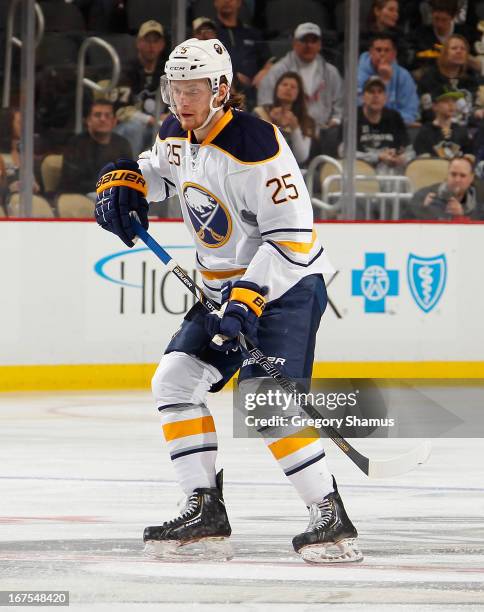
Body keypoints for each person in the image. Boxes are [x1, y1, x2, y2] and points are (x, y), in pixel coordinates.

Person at [94, 37, 362, 564]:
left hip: (286, 286)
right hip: (222, 290)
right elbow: (160, 172)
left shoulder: (256, 146)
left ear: (220, 89)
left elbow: (289, 236)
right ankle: (205, 510)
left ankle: (329, 514)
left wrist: (247, 298)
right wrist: (125, 180)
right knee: (174, 381)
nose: (181, 100)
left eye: (192, 89)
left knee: (264, 403)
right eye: (174, 89)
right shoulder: (177, 130)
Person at [258, 23, 343, 156]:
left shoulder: (331, 72)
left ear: (320, 44)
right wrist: (276, 117)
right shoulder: (278, 70)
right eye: (304, 40)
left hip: (322, 131)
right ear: (294, 43)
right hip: (285, 128)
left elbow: (341, 105)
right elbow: (265, 100)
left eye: (313, 41)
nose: (309, 45)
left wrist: (335, 121)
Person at [112, 20, 168, 156]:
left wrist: (169, 116)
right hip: (128, 128)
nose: (151, 46)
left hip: (156, 127)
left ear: (162, 45)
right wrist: (149, 120)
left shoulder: (166, 71)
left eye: (155, 41)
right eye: (147, 41)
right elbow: (119, 109)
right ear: (138, 43)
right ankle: (130, 173)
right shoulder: (125, 70)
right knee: (135, 128)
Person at [60, 99, 132, 199]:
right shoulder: (75, 144)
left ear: (114, 121)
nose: (102, 119)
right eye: (97, 115)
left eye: (107, 116)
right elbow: (72, 183)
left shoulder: (123, 144)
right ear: (88, 120)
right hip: (81, 198)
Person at [349, 76, 413, 174]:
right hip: (360, 172)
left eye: (380, 92)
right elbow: (344, 153)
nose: (376, 95)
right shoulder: (353, 117)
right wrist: (378, 157)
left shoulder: (394, 117)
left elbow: (410, 151)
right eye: (371, 91)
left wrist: (400, 158)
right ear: (363, 97)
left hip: (390, 172)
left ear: (385, 98)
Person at [213, 0, 273, 103]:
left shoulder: (252, 33)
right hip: (219, 94)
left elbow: (270, 61)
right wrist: (233, 78)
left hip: (252, 96)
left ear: (239, 3)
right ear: (215, 2)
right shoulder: (209, 33)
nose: (227, 1)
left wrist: (265, 71)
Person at [253, 71, 316, 165]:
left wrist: (295, 128)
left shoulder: (306, 121)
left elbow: (301, 157)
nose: (288, 88)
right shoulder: (260, 113)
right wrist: (272, 124)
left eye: (293, 87)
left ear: (298, 94)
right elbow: (254, 147)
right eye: (284, 84)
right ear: (276, 88)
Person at [418, 34, 481, 126]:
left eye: (463, 49)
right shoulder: (429, 78)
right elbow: (427, 113)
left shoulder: (471, 80)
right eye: (454, 48)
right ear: (444, 53)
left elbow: (475, 109)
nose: (459, 51)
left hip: (467, 130)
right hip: (437, 129)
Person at [357, 32, 419, 125]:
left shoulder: (403, 76)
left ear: (394, 54)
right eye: (378, 50)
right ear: (370, 52)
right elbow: (357, 111)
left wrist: (389, 121)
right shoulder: (357, 75)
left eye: (386, 50)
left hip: (395, 128)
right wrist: (384, 80)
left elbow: (410, 111)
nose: (382, 54)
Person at [405, 155, 483, 219]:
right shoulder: (423, 195)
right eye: (453, 174)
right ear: (447, 174)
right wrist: (423, 211)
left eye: (462, 176)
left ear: (471, 178)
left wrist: (462, 217)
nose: (457, 179)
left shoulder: (480, 199)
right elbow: (404, 224)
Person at [414, 87, 472, 159]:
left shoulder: (461, 131)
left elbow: (469, 157)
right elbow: (421, 160)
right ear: (435, 106)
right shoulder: (425, 132)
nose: (451, 105)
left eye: (453, 101)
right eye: (446, 101)